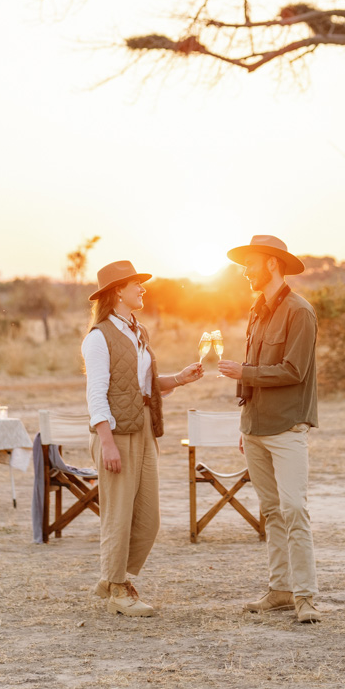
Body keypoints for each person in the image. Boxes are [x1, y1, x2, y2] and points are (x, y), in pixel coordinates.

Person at [82, 259, 203, 617]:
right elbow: (96, 394)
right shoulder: (98, 337)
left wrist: (179, 378)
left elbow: (145, 385)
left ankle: (110, 580)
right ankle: (117, 588)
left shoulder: (139, 331)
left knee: (149, 518)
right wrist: (106, 442)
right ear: (118, 290)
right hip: (115, 435)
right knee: (118, 515)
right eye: (137, 284)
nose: (143, 289)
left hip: (145, 429)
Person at [218, 234, 321, 624]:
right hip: (255, 428)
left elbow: (294, 372)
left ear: (272, 264)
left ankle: (306, 596)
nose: (245, 271)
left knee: (294, 508)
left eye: (251, 263)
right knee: (271, 511)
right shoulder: (256, 310)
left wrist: (244, 373)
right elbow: (252, 373)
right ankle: (280, 590)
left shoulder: (301, 312)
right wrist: (245, 424)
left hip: (287, 427)